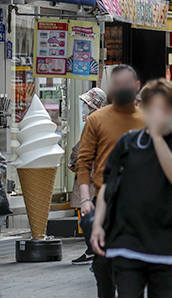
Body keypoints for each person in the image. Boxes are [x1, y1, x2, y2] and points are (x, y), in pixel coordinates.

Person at [90, 80, 172, 298]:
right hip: (127, 239)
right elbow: (107, 186)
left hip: (169, 243)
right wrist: (98, 224)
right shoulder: (128, 142)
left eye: (166, 108)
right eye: (153, 108)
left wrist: (158, 138)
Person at [77, 65, 145, 298]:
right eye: (117, 84)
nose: (121, 88)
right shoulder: (96, 119)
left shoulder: (149, 119)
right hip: (105, 199)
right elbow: (84, 162)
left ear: (136, 87)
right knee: (103, 263)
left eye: (126, 84)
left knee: (134, 263)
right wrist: (85, 199)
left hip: (142, 202)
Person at [69, 87, 107, 265]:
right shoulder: (104, 120)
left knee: (88, 214)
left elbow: (84, 147)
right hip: (95, 173)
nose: (83, 107)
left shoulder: (94, 120)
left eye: (86, 104)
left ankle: (93, 250)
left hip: (90, 175)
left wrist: (75, 161)